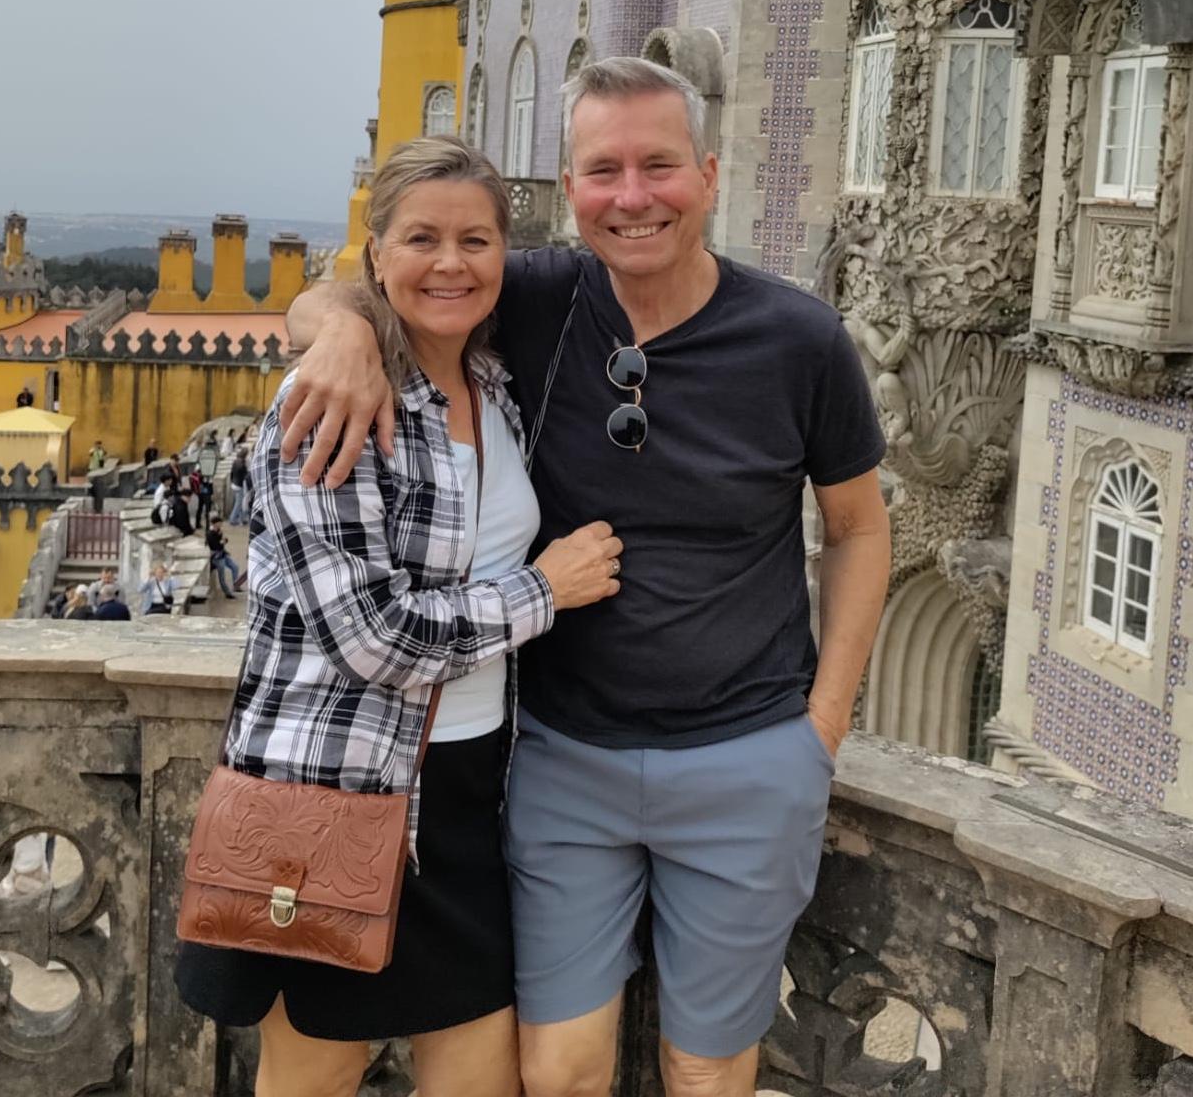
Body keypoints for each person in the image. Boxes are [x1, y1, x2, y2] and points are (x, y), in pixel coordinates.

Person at [282, 59, 891, 1097]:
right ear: (570, 191)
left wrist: (821, 727)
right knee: (557, 1072)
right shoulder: (534, 296)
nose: (632, 196)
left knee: (705, 1070)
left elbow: (860, 529)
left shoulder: (799, 340)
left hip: (746, 759)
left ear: (707, 174)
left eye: (659, 165)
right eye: (604, 171)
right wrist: (337, 331)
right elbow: (385, 279)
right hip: (565, 764)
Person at [175, 136, 620, 1097]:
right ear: (376, 254)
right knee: (316, 1076)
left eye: (475, 240)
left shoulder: (494, 385)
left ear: (505, 255)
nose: (450, 263)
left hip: (471, 795)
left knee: (481, 1080)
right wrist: (547, 590)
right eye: (422, 239)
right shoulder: (331, 403)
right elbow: (372, 638)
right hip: (341, 790)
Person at [204, 517, 242, 597]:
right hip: (217, 557)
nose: (221, 524)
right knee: (222, 576)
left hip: (223, 554)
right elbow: (216, 545)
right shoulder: (210, 533)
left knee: (235, 567)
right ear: (215, 523)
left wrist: (222, 541)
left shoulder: (218, 531)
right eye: (219, 523)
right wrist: (222, 541)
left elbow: (223, 541)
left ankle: (236, 585)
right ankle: (227, 593)